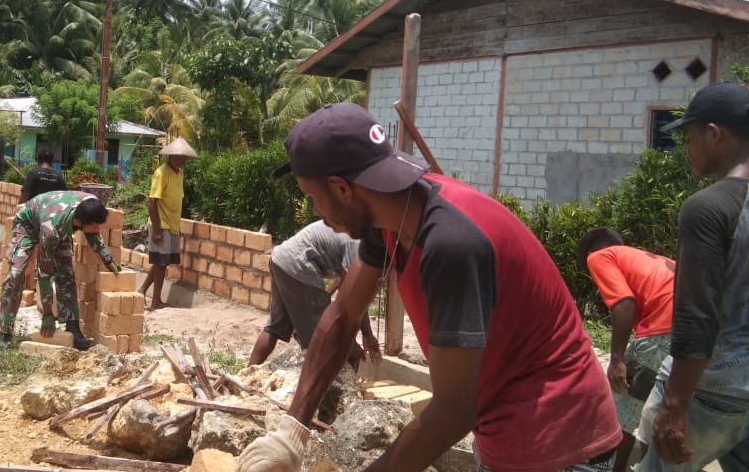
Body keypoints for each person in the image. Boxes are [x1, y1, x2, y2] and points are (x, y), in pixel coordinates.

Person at [239, 102, 620, 472]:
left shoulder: (449, 244)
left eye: (312, 198)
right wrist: (292, 433)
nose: (315, 212)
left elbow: (454, 410)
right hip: (502, 426)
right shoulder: (390, 217)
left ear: (341, 189)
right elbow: (342, 317)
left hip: (560, 439)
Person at [637, 81, 749, 472]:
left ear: (714, 134)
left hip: (713, 389)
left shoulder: (708, 208)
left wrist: (673, 406)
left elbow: (697, 315)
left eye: (690, 138)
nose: (688, 150)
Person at [578, 228, 675, 472]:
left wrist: (617, 360)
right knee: (657, 415)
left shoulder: (600, 256)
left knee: (619, 413)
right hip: (697, 335)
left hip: (661, 332)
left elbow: (623, 303)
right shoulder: (648, 259)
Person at [0, 190, 121, 351]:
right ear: (80, 222)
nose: (98, 228)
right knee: (16, 274)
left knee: (67, 274)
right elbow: (44, 273)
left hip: (57, 222)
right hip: (28, 224)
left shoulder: (91, 203)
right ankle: (5, 333)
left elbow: (93, 232)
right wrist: (48, 313)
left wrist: (107, 258)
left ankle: (73, 330)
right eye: (95, 225)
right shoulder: (51, 231)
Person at [247, 220, 381, 368]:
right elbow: (355, 295)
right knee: (335, 342)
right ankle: (340, 389)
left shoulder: (351, 227)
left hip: (280, 259)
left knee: (274, 328)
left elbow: (345, 282)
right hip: (298, 266)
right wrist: (366, 336)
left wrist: (322, 300)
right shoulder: (357, 243)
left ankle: (244, 377)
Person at [137, 137, 196, 310]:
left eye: (183, 157)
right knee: (161, 263)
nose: (180, 159)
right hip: (161, 225)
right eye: (177, 156)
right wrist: (156, 229)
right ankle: (156, 301)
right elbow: (152, 202)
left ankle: (142, 290)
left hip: (172, 225)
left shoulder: (179, 173)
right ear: (169, 156)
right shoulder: (161, 173)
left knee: (161, 262)